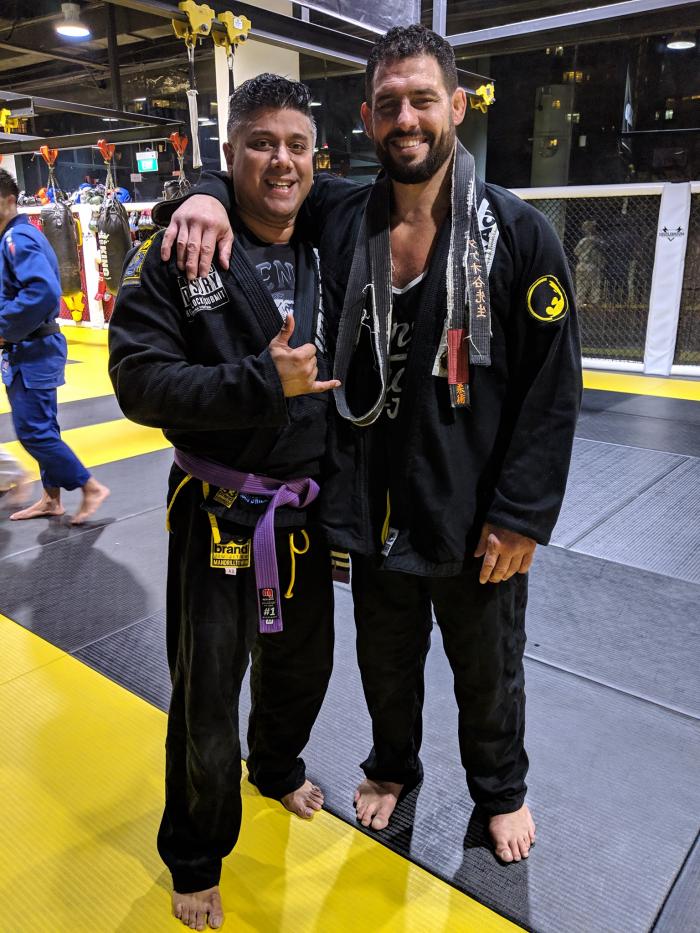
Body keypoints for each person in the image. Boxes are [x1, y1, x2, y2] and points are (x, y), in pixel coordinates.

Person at [159, 25, 582, 866]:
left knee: (489, 666)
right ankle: (392, 766)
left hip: (477, 511)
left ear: (456, 105)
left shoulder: (518, 232)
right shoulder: (343, 212)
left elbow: (552, 390)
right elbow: (264, 176)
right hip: (373, 504)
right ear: (367, 117)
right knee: (385, 660)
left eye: (423, 99)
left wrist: (523, 513)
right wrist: (200, 192)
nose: (406, 119)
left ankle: (500, 789)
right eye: (388, 104)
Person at [109, 75, 339, 931]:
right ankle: (196, 854)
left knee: (302, 669)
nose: (281, 161)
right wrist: (259, 381)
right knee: (207, 695)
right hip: (218, 509)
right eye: (261, 143)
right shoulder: (179, 250)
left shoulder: (326, 235)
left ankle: (275, 768)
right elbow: (136, 380)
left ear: (315, 156)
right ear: (230, 151)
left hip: (306, 511)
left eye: (296, 145)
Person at [0, 168, 109, 524]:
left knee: (32, 431)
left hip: (33, 350)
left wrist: (3, 328)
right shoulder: (13, 237)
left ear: (9, 200)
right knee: (42, 427)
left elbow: (43, 291)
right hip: (28, 349)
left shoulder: (18, 238)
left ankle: (89, 486)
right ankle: (51, 499)